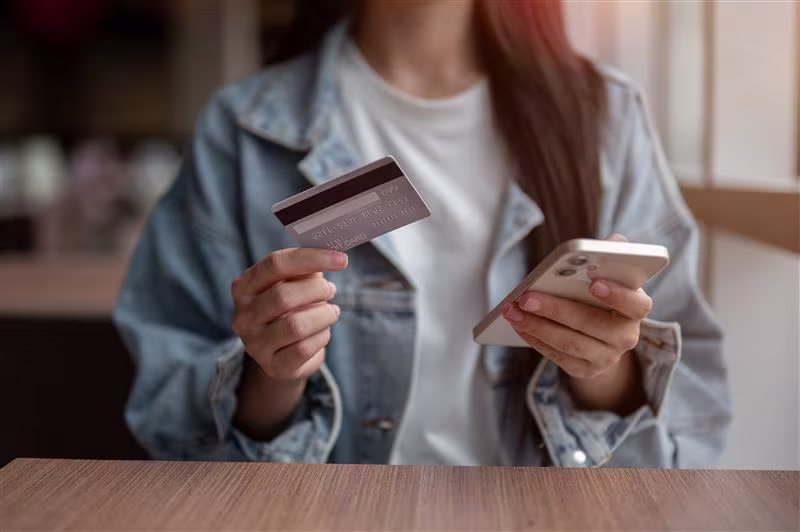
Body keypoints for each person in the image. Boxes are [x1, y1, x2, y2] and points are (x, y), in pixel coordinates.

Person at [114, 0, 732, 467]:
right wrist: (272, 374)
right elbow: (168, 415)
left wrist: (602, 369)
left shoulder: (605, 118)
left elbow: (693, 421)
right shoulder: (243, 129)